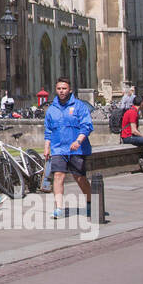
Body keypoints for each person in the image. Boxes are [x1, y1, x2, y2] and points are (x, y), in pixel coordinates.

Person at [43, 78, 95, 217]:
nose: (61, 91)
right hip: (58, 148)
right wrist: (47, 147)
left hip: (76, 149)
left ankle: (90, 202)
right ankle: (59, 208)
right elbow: (48, 130)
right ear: (56, 90)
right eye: (59, 88)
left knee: (79, 178)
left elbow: (87, 126)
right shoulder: (52, 109)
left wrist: (78, 141)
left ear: (70, 90)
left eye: (64, 88)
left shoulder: (79, 106)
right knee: (58, 176)